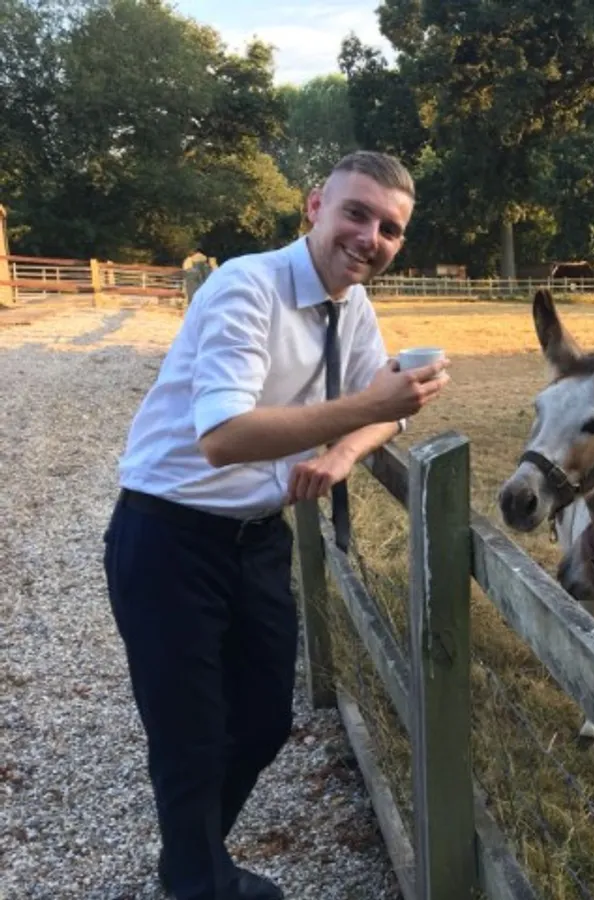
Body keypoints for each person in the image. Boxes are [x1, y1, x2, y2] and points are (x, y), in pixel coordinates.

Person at [103, 151, 449, 900]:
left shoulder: (354, 307)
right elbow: (222, 436)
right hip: (167, 536)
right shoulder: (245, 286)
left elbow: (379, 409)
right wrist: (369, 410)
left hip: (258, 536)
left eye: (390, 228)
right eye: (357, 213)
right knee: (190, 735)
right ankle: (199, 878)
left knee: (260, 722)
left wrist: (344, 453)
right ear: (314, 205)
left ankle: (190, 860)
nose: (371, 237)